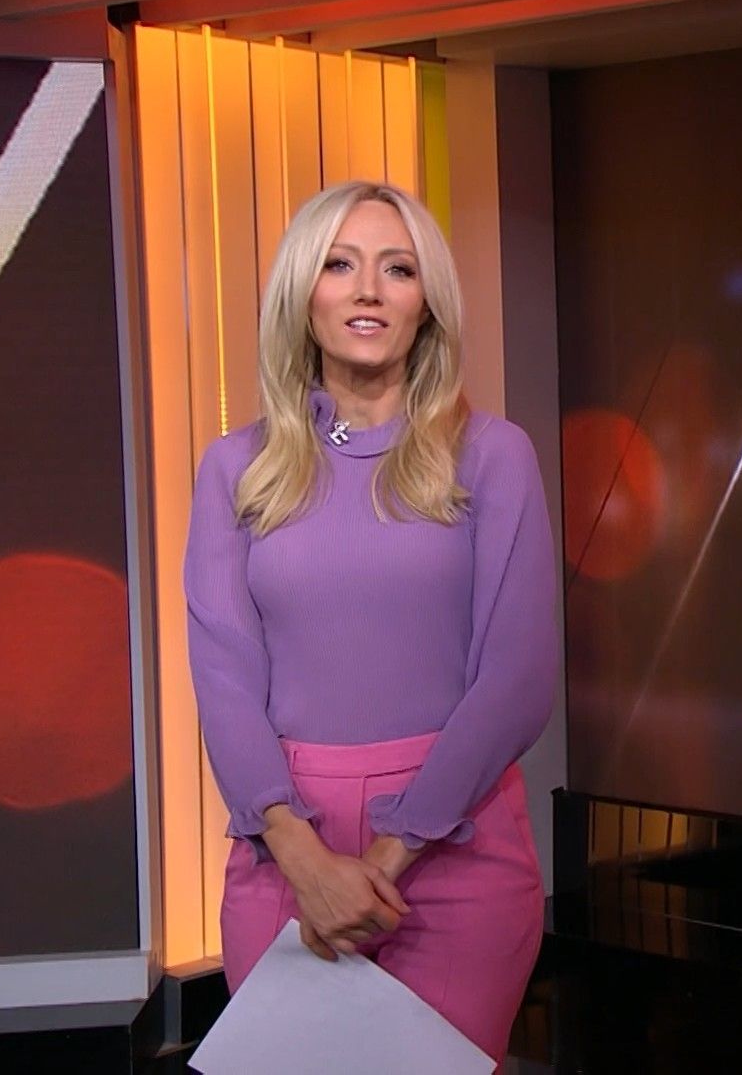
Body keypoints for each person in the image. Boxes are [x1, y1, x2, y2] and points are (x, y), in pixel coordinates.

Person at [184, 180, 556, 1061]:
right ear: (302, 293)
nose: (367, 291)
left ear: (427, 303)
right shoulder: (237, 467)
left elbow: (517, 680)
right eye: (339, 265)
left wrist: (387, 859)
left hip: (455, 844)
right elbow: (224, 678)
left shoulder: (492, 455)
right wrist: (304, 860)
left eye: (398, 269)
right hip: (283, 849)